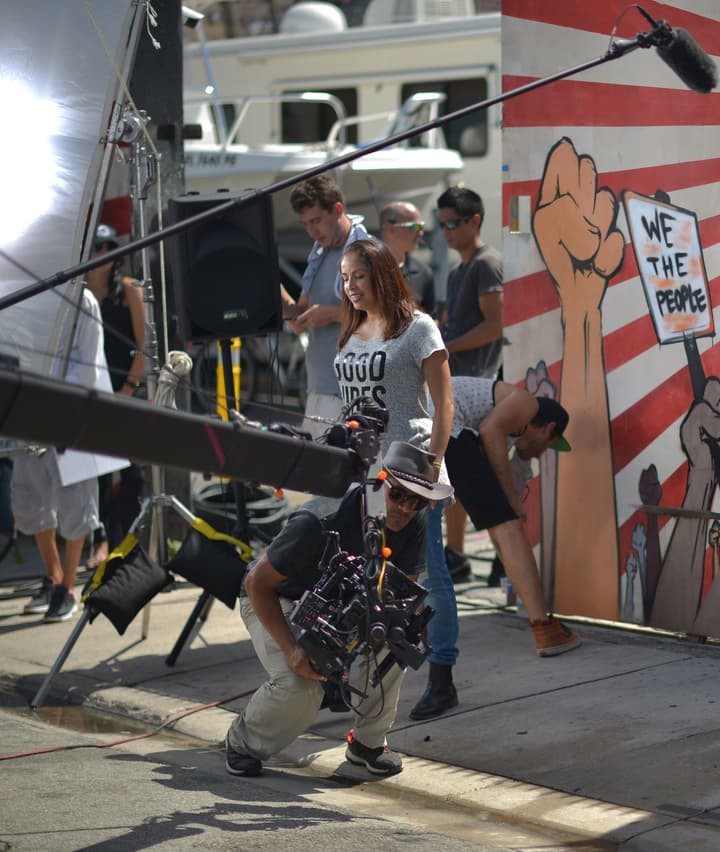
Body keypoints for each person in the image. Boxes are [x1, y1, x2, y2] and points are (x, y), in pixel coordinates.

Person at [224, 438, 451, 777]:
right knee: (301, 686)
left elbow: (403, 591)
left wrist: (403, 627)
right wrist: (292, 650)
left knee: (393, 646)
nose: (405, 507)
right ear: (379, 483)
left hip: (345, 601)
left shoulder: (411, 522)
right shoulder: (318, 519)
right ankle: (243, 742)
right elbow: (257, 583)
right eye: (399, 494)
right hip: (276, 598)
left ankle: (367, 744)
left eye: (417, 501)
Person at [331, 238, 461, 720]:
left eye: (358, 276)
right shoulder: (352, 331)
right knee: (365, 578)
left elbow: (444, 402)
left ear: (382, 274)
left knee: (424, 576)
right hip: (361, 476)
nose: (350, 286)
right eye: (344, 278)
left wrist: (432, 461)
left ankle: (442, 676)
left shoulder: (418, 328)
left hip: (410, 471)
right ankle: (361, 678)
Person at [410, 374, 579, 719]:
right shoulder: (525, 402)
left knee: (420, 546)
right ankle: (543, 627)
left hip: (419, 433)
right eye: (548, 445)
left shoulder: (502, 410)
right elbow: (489, 433)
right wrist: (510, 498)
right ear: (547, 429)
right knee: (507, 526)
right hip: (448, 427)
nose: (542, 452)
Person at [17, 286, 109, 623]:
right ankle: (53, 576)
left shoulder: (83, 300)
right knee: (30, 501)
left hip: (71, 411)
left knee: (76, 504)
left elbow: (89, 365)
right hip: (28, 407)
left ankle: (68, 587)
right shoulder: (24, 292)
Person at [436, 186, 504, 581]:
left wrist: (446, 345)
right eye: (441, 223)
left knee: (483, 481)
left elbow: (496, 325)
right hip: (457, 387)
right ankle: (457, 554)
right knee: (455, 480)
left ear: (474, 221)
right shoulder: (459, 270)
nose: (445, 231)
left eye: (452, 223)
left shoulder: (486, 264)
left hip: (478, 389)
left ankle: (503, 557)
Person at [283, 174, 369, 438]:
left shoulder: (367, 251)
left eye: (316, 221)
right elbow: (299, 323)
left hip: (355, 393)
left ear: (338, 210)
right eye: (305, 224)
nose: (311, 231)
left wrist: (330, 314)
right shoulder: (318, 254)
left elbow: (381, 316)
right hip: (318, 388)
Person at [84, 223, 146, 563]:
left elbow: (143, 347)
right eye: (97, 248)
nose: (104, 255)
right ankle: (102, 540)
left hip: (127, 388)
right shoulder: (80, 293)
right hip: (94, 391)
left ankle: (130, 540)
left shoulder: (129, 289)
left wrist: (127, 389)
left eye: (110, 247)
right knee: (98, 474)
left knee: (133, 473)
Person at [378, 201, 434, 315]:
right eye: (416, 227)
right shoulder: (364, 270)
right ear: (391, 229)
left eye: (422, 227)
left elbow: (433, 318)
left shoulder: (423, 273)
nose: (421, 233)